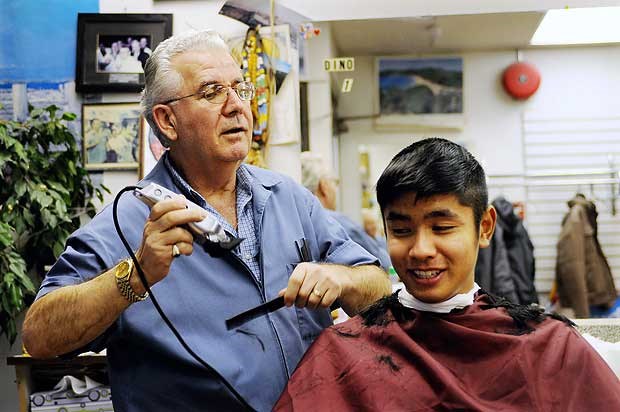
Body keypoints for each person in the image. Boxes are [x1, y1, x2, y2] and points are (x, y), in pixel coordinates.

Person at [22, 30, 390, 412]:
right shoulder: (126, 221)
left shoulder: (289, 197)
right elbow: (40, 336)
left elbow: (379, 290)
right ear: (167, 121)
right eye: (212, 92)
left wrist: (343, 277)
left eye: (240, 89)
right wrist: (135, 274)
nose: (236, 107)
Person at [275, 138, 620, 411]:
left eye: (441, 227)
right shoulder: (341, 354)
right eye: (401, 230)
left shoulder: (550, 348)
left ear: (484, 227)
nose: (421, 249)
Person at [300, 151, 391, 271]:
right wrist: (376, 236)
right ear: (324, 186)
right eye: (335, 182)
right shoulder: (336, 222)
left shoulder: (297, 220)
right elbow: (382, 264)